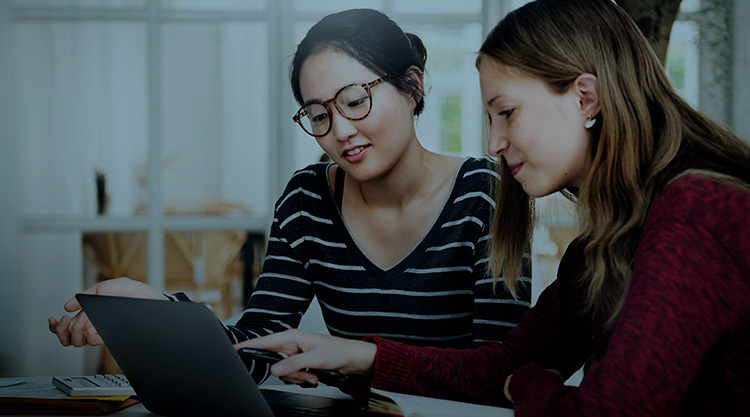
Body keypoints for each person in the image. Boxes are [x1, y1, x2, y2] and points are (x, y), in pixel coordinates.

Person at [238, 0, 750, 415]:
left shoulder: (693, 213)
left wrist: (524, 384)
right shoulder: (607, 242)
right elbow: (497, 367)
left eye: (506, 113)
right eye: (319, 114)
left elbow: (604, 408)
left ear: (586, 99)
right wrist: (359, 355)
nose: (495, 142)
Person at [48, 9, 531, 385]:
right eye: (317, 114)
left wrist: (362, 361)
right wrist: (158, 312)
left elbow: (498, 374)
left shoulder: (485, 194)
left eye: (356, 100)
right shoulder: (308, 198)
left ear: (413, 86)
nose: (341, 131)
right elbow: (258, 344)